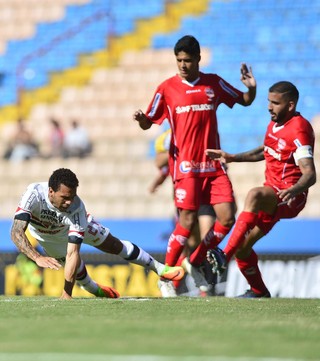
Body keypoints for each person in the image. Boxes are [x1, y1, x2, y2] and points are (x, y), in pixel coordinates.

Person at [133, 35, 256, 295]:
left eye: (187, 60)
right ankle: (166, 276)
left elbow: (244, 100)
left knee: (227, 218)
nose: (183, 65)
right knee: (187, 222)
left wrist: (252, 88)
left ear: (198, 59)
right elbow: (149, 121)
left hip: (213, 165)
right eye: (179, 60)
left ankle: (196, 260)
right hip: (186, 167)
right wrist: (142, 119)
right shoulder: (167, 88)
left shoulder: (213, 84)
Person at [206, 81, 316, 298]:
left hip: (289, 196)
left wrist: (294, 190)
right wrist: (233, 157)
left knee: (254, 195)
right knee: (244, 249)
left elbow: (310, 174)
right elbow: (265, 151)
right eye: (269, 102)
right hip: (272, 193)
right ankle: (258, 291)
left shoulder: (299, 129)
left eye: (275, 103)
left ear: (291, 105)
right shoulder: (274, 123)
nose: (269, 107)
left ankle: (223, 255)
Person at [10, 168, 185, 300]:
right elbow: (16, 231)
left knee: (112, 245)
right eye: (64, 197)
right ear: (51, 192)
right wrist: (36, 257)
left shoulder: (76, 208)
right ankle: (94, 289)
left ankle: (159, 268)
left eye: (72, 196)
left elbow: (73, 253)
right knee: (78, 272)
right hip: (47, 237)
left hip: (72, 227)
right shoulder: (33, 194)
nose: (69, 201)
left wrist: (66, 293)